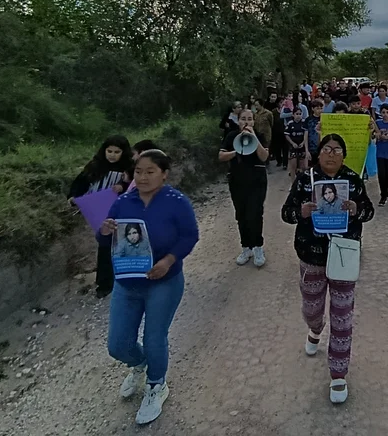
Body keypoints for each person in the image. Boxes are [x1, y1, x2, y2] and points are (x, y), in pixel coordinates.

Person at [100, 150, 199, 425]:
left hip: (163, 281)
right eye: (139, 171)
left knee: (155, 337)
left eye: (150, 171)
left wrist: (168, 261)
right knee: (118, 344)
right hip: (127, 282)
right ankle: (139, 363)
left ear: (164, 174)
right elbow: (104, 236)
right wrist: (104, 230)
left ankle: (156, 385)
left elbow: (190, 235)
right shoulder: (122, 202)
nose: (143, 177)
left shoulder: (176, 202)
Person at [281, 134, 375, 404]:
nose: (332, 154)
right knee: (312, 308)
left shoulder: (353, 180)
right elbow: (286, 214)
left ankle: (338, 375)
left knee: (342, 316)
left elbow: (369, 211)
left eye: (337, 150)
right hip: (311, 255)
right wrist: (302, 212)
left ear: (344, 156)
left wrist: (357, 208)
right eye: (327, 149)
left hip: (344, 255)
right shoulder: (304, 179)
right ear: (318, 153)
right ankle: (314, 329)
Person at [69, 135, 135, 299]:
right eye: (109, 151)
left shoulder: (130, 168)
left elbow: (136, 185)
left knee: (124, 242)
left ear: (123, 152)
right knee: (105, 244)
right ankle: (104, 283)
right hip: (99, 212)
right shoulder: (95, 165)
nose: (112, 155)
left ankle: (127, 276)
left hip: (123, 210)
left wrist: (123, 186)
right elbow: (80, 183)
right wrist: (73, 197)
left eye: (117, 151)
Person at [220, 109, 271, 268]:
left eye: (250, 119)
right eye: (243, 119)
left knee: (255, 213)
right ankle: (246, 247)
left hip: (257, 180)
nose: (246, 122)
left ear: (254, 121)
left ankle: (258, 247)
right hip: (237, 180)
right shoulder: (231, 136)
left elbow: (264, 156)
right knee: (241, 214)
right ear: (238, 120)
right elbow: (221, 156)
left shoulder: (260, 136)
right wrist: (237, 151)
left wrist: (253, 137)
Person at [286, 107, 308, 177]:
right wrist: (292, 143)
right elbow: (286, 135)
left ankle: (301, 182)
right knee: (293, 167)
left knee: (303, 167)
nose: (298, 115)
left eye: (300, 114)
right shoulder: (290, 123)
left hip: (302, 147)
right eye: (297, 114)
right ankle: (293, 184)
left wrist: (303, 143)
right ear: (293, 115)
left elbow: (306, 134)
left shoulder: (304, 123)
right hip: (293, 147)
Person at [305, 100, 324, 164]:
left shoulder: (324, 119)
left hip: (322, 149)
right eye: (317, 108)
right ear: (313, 108)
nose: (320, 110)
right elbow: (306, 135)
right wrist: (306, 150)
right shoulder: (308, 119)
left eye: (321, 108)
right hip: (311, 149)